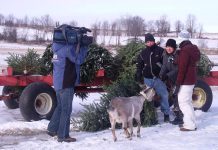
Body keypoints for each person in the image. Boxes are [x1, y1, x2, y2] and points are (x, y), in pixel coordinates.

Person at [47, 25, 88, 142]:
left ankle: (52, 129)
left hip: (58, 83)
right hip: (66, 84)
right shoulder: (67, 50)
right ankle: (63, 136)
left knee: (60, 107)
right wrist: (84, 46)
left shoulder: (57, 49)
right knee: (66, 110)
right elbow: (79, 60)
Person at [136, 33, 170, 122]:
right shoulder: (143, 53)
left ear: (154, 41)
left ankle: (166, 114)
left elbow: (166, 65)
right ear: (145, 43)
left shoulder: (161, 51)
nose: (149, 43)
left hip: (158, 79)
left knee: (164, 95)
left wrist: (164, 75)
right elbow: (139, 65)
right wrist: (139, 75)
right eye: (147, 42)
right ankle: (150, 116)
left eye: (151, 41)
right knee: (148, 98)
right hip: (148, 79)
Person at [173, 31, 200, 131]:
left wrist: (178, 83)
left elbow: (182, 68)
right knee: (187, 102)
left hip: (186, 80)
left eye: (179, 38)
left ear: (182, 39)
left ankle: (189, 125)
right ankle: (192, 123)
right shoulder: (192, 48)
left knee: (183, 103)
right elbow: (187, 62)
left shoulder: (185, 50)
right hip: (191, 79)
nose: (178, 40)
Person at [159, 39, 183, 125]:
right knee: (174, 96)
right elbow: (164, 66)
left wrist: (167, 75)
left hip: (180, 79)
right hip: (172, 80)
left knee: (176, 96)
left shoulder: (178, 55)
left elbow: (178, 68)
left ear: (174, 47)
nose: (168, 48)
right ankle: (178, 113)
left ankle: (180, 116)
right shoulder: (165, 55)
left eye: (170, 47)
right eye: (167, 46)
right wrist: (161, 75)